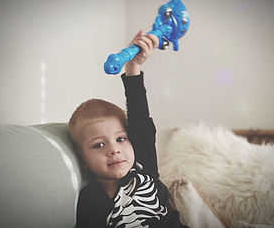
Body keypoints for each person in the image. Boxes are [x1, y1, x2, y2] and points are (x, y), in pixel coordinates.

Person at [68, 30, 188, 228]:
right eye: (98, 145)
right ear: (83, 159)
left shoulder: (144, 168)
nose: (114, 150)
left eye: (121, 139)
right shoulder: (92, 199)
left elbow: (141, 122)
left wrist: (133, 67)